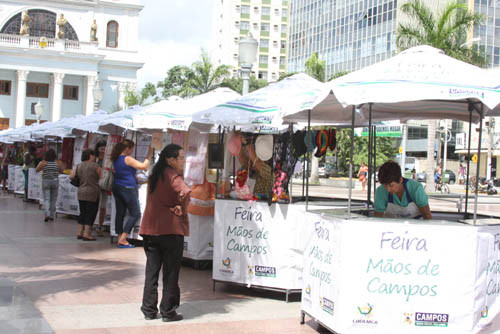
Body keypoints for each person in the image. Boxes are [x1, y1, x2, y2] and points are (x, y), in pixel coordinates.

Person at [139, 144, 190, 322]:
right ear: (171, 159)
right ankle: (168, 311)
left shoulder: (155, 174)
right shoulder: (172, 175)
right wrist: (181, 209)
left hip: (151, 228)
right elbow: (185, 191)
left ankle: (148, 309)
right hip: (170, 229)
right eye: (181, 158)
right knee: (170, 272)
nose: (183, 161)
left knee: (151, 271)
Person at [111, 139, 153, 248]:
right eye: (131, 149)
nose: (132, 151)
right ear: (127, 148)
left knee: (120, 213)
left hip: (117, 186)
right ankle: (123, 238)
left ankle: (119, 237)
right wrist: (149, 154)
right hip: (128, 187)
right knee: (135, 213)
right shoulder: (127, 159)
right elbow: (144, 166)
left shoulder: (115, 159)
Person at [70, 149, 102, 241]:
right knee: (90, 213)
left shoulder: (79, 166)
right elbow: (102, 177)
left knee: (82, 212)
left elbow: (71, 176)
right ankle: (87, 234)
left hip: (81, 192)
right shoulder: (96, 166)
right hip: (92, 193)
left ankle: (79, 233)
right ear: (91, 156)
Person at [237, 133, 273, 199]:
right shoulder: (255, 166)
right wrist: (241, 143)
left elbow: (256, 161)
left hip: (260, 205)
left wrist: (246, 144)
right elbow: (242, 159)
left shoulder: (269, 171)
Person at [36, 149, 63, 222]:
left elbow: (37, 170)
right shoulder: (58, 162)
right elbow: (62, 171)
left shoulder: (43, 162)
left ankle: (47, 214)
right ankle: (51, 215)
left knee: (47, 199)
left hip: (46, 181)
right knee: (53, 199)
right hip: (55, 181)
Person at [95, 141, 108, 236]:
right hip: (94, 185)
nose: (103, 150)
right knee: (94, 205)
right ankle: (91, 224)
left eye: (104, 148)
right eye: (101, 148)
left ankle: (100, 226)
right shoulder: (95, 159)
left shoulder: (108, 159)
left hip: (105, 185)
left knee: (103, 206)